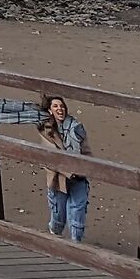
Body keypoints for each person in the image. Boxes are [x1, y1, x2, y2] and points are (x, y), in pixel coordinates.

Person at [38, 96, 92, 241]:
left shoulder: (76, 127)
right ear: (49, 110)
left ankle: (77, 247)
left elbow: (86, 151)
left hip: (78, 177)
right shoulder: (46, 130)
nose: (59, 109)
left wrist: (86, 169)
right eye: (55, 106)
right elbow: (52, 156)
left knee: (77, 216)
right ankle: (55, 243)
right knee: (58, 218)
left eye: (61, 106)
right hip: (58, 179)